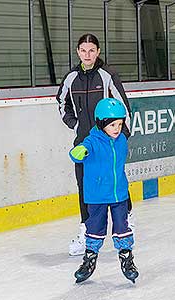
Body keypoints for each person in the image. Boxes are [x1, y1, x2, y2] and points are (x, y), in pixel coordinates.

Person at [56, 33, 134, 256]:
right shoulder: (71, 77)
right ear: (78, 52)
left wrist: (120, 137)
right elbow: (62, 102)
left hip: (109, 141)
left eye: (92, 50)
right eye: (83, 50)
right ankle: (86, 231)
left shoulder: (107, 75)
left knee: (115, 179)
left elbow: (124, 107)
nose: (87, 54)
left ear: (98, 52)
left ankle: (127, 219)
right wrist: (75, 125)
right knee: (85, 187)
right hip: (85, 142)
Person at [70, 98, 139, 283]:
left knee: (122, 228)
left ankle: (127, 258)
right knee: (95, 229)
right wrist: (79, 152)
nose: (117, 128)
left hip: (119, 194)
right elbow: (79, 152)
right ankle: (89, 259)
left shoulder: (121, 139)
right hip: (97, 196)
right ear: (101, 124)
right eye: (112, 125)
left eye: (120, 124)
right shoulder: (92, 141)